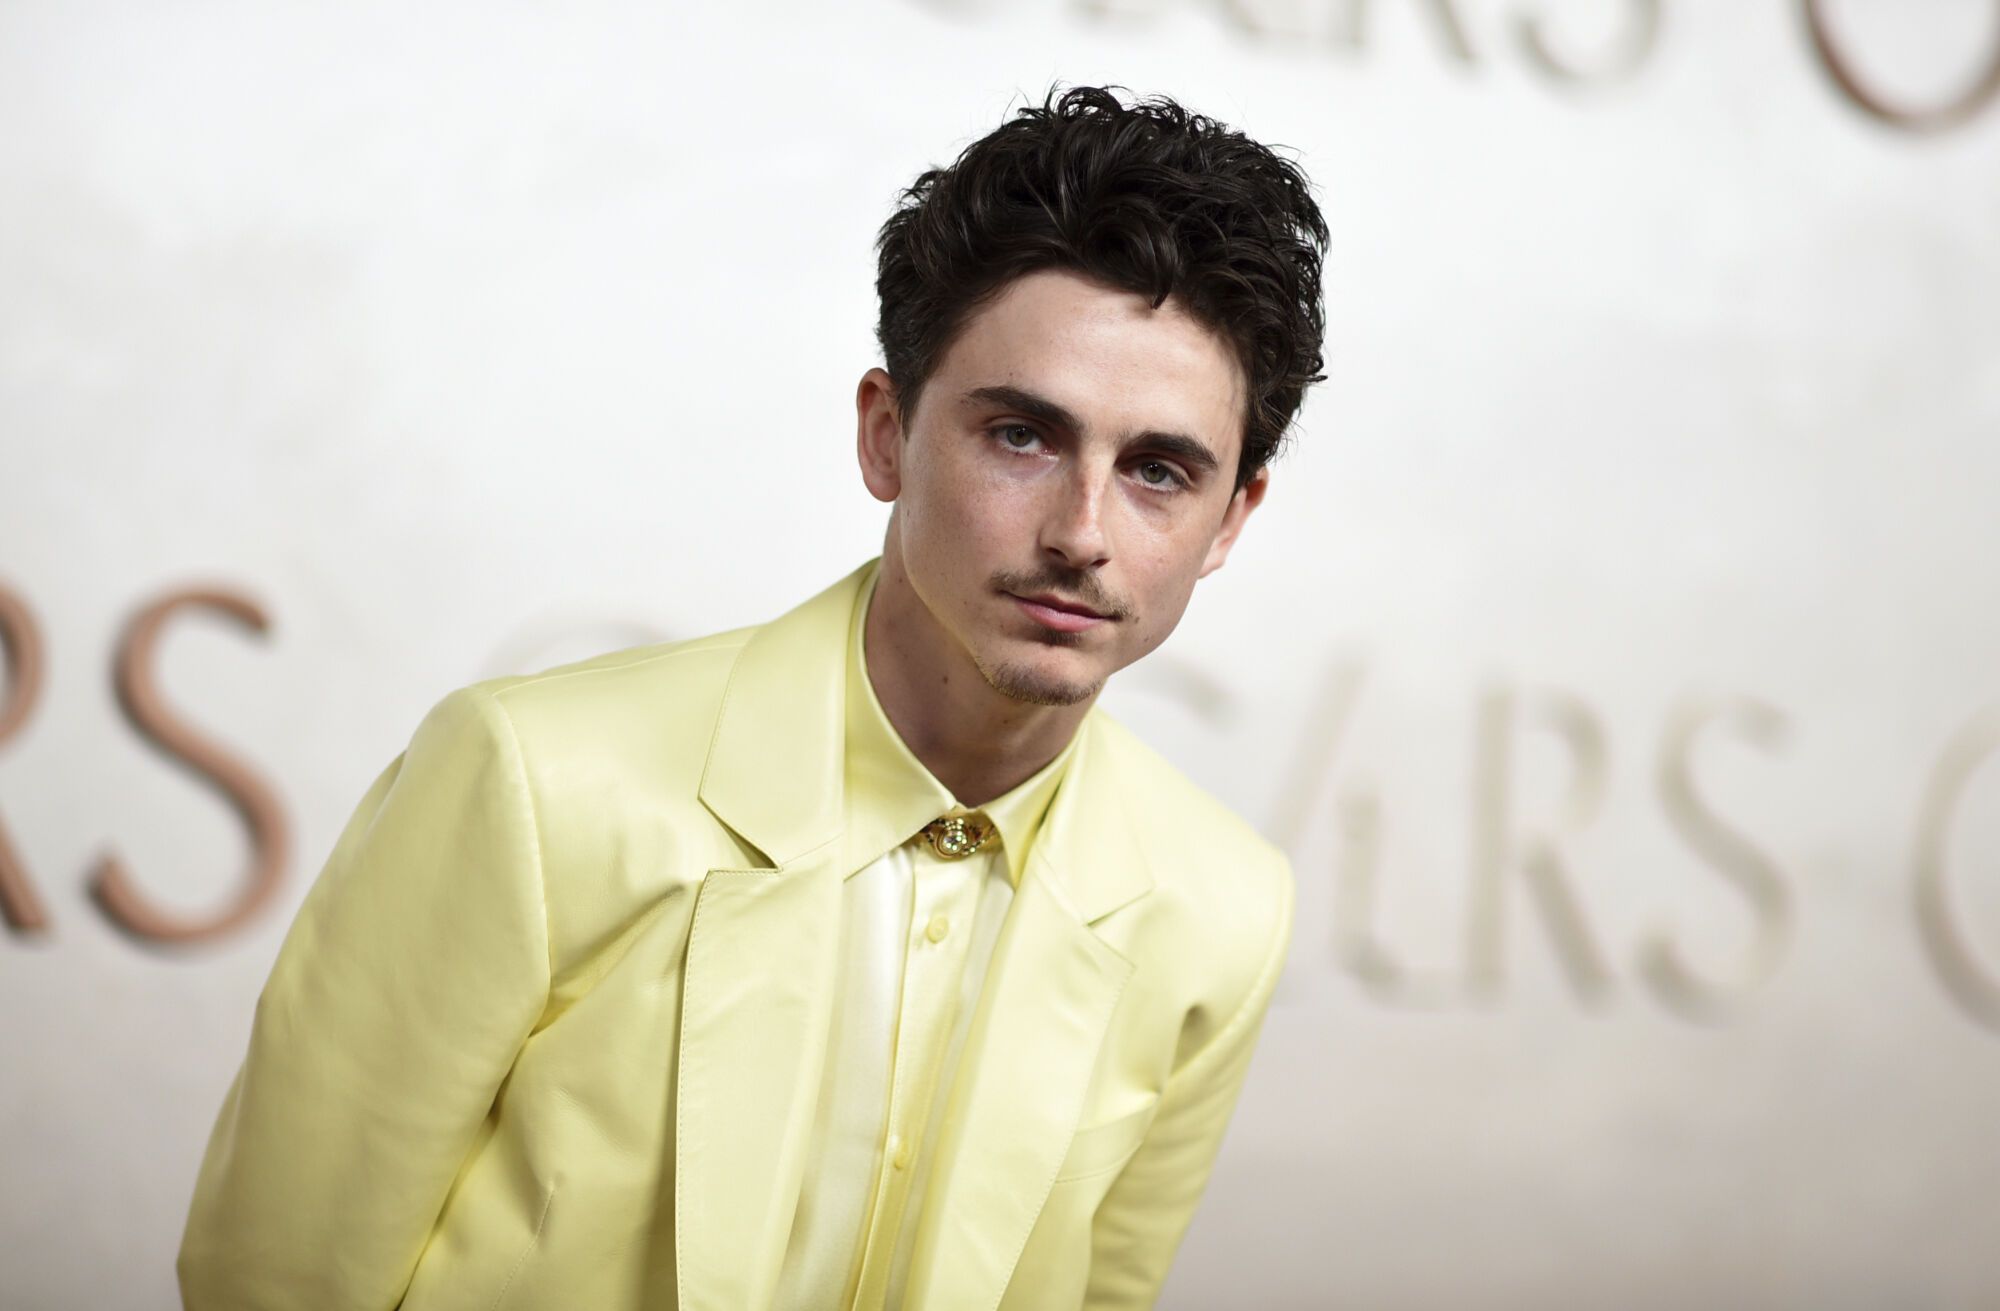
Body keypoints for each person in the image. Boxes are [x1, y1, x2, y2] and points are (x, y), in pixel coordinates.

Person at [177, 82, 1329, 1310]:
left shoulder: (1221, 909)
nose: (1082, 534)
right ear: (886, 435)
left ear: (1228, 522)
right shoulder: (530, 783)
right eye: (1021, 437)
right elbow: (274, 1282)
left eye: (1158, 471)